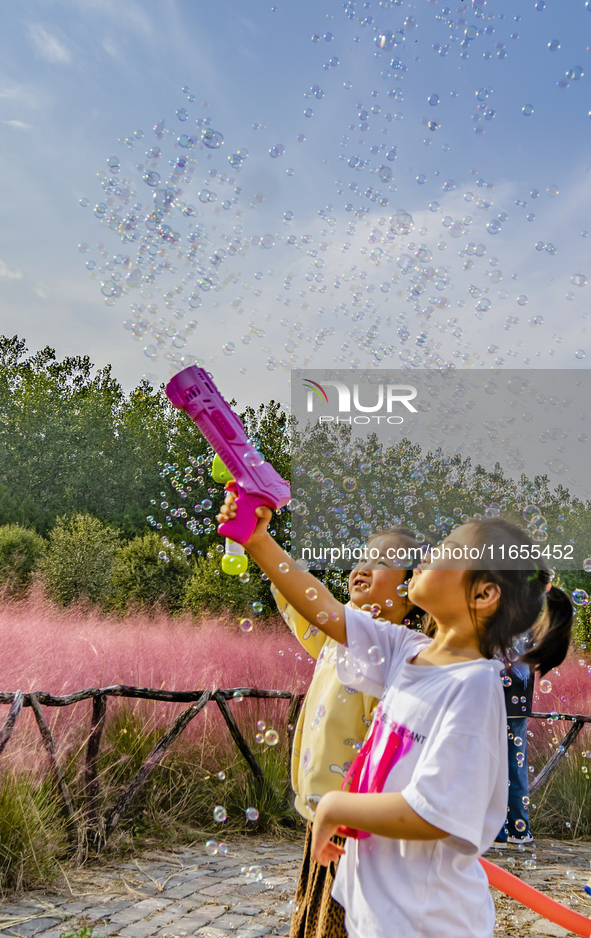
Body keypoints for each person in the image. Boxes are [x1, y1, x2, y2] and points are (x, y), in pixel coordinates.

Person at [217, 500, 572, 938]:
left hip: (426, 921)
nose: (426, 556)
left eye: (447, 549)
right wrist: (257, 539)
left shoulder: (474, 687)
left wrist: (336, 804)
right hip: (380, 913)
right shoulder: (404, 650)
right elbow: (324, 608)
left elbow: (436, 812)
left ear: (483, 594)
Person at [271, 527, 427, 938]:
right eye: (363, 557)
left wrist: (258, 538)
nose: (363, 567)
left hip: (357, 828)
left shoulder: (398, 652)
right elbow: (298, 596)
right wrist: (262, 543)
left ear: (412, 588)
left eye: (383, 561)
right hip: (323, 817)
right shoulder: (334, 635)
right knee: (314, 917)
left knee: (340, 925)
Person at [494, 656, 535, 846]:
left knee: (494, 762)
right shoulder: (531, 626)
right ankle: (518, 830)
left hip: (493, 695)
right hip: (518, 698)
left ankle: (497, 831)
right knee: (516, 764)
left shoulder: (491, 626)